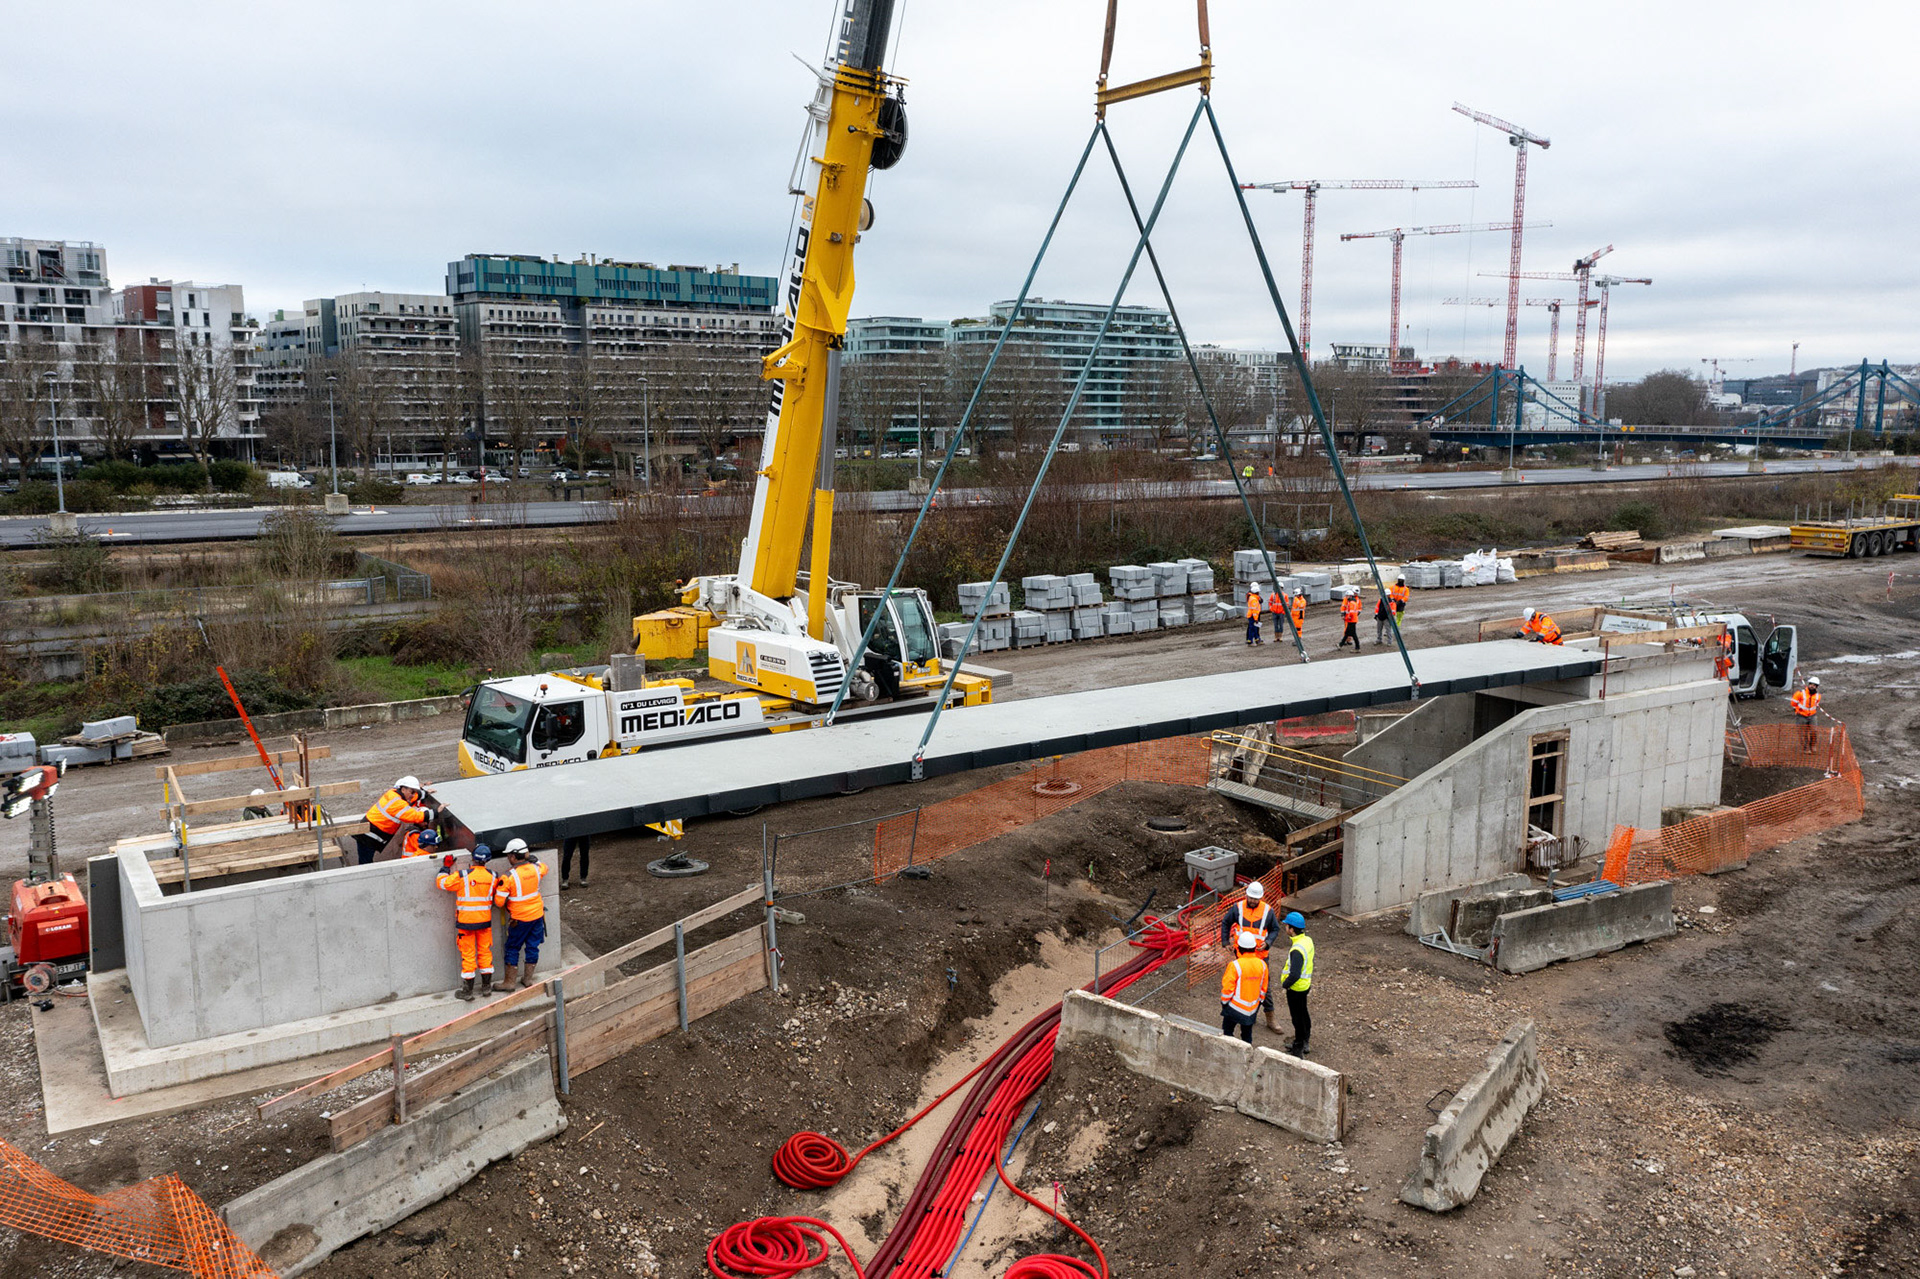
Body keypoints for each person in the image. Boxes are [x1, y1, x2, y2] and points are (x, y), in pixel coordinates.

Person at [436, 844, 499, 1001]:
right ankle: (486, 988)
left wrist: (445, 867)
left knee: (468, 954)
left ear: (473, 859)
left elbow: (442, 883)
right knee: (485, 952)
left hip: (466, 923)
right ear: (488, 860)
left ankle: (468, 991)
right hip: (484, 921)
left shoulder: (463, 875)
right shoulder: (494, 876)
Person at [1218, 880, 1282, 1031]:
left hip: (1260, 956)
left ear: (1260, 898)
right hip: (1241, 955)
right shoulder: (1238, 908)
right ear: (1246, 895)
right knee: (1241, 983)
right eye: (1251, 898)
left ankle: (1270, 1017)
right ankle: (1245, 1013)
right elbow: (1226, 923)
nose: (1253, 901)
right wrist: (1225, 941)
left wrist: (1268, 942)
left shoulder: (1267, 911)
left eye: (1256, 899)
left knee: (1265, 987)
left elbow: (1275, 929)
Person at [493, 839, 549, 990]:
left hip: (519, 919)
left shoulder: (508, 877)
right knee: (533, 946)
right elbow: (544, 867)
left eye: (508, 855)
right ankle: (528, 980)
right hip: (537, 916)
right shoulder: (536, 869)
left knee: (512, 947)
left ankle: (509, 983)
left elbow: (499, 902)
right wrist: (534, 859)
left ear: (512, 856)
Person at [359, 775, 435, 864]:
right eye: (412, 791)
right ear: (403, 789)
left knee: (365, 860)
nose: (413, 795)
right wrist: (435, 812)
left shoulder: (393, 794)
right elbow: (414, 816)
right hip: (369, 835)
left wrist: (425, 794)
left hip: (368, 831)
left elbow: (411, 797)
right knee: (365, 863)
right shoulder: (397, 803)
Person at [1219, 930, 1268, 1044]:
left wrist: (1224, 1003)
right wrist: (1257, 1004)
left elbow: (1227, 989)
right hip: (1252, 1009)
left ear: (1239, 948)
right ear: (1254, 947)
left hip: (1234, 1008)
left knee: (1227, 1033)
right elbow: (1263, 989)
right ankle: (1247, 1057)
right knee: (1247, 1036)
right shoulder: (1262, 965)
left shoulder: (1235, 965)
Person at [1278, 910, 1314, 1057]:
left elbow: (1294, 974)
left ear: (1292, 929)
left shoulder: (1297, 950)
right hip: (1305, 985)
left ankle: (1298, 1048)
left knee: (1297, 1018)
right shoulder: (1307, 941)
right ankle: (1305, 1040)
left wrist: (1285, 985)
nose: (1285, 928)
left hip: (1296, 988)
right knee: (1303, 1013)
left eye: (1287, 926)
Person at [1791, 675, 1821, 749]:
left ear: (1816, 687)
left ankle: (1812, 746)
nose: (1812, 686)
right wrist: (1797, 711)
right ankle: (1806, 748)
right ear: (1808, 684)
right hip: (1801, 716)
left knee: (1814, 732)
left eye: (1814, 685)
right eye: (1811, 684)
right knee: (1802, 733)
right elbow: (1793, 703)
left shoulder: (1818, 696)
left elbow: (1816, 705)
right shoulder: (1800, 693)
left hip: (1813, 716)